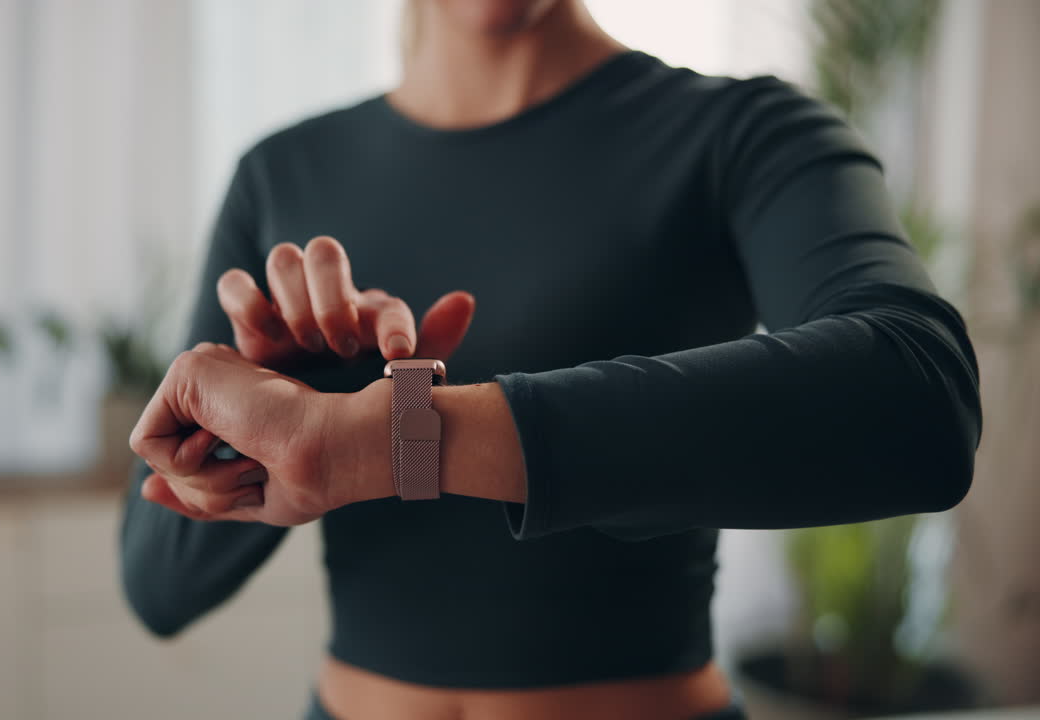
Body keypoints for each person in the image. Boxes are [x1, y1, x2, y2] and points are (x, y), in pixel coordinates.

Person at [119, 0, 983, 718]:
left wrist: (392, 438)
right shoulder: (279, 176)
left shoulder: (743, 134)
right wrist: (266, 411)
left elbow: (918, 397)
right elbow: (157, 585)